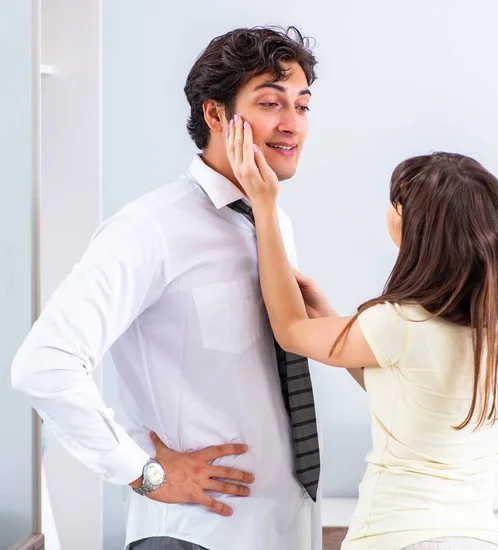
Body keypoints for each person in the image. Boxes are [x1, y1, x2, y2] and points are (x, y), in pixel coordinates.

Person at [12, 26, 323, 550]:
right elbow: (43, 364)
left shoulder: (272, 223)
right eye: (271, 103)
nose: (292, 124)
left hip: (284, 531)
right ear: (216, 115)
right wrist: (144, 473)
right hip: (196, 536)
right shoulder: (150, 229)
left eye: (303, 105)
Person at [225, 120, 498, 550]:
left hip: (397, 537)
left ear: (415, 227)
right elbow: (408, 388)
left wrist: (264, 205)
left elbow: (290, 330)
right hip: (477, 539)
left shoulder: (400, 322)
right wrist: (334, 317)